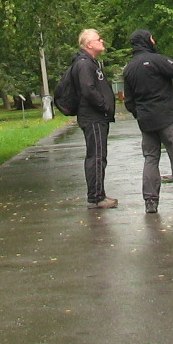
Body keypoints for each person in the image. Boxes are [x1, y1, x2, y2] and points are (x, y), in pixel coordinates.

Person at [122, 28, 173, 214]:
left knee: (150, 158)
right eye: (152, 38)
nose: (154, 41)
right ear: (147, 40)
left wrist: (140, 114)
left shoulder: (129, 69)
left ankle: (151, 202)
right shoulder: (157, 60)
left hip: (146, 121)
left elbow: (129, 102)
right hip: (167, 118)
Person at [66, 28, 118, 209]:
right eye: (98, 39)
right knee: (96, 156)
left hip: (97, 117)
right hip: (93, 117)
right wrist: (104, 105)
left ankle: (99, 193)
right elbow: (88, 89)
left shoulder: (92, 63)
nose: (102, 41)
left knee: (99, 156)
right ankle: (96, 198)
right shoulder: (84, 64)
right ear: (89, 44)